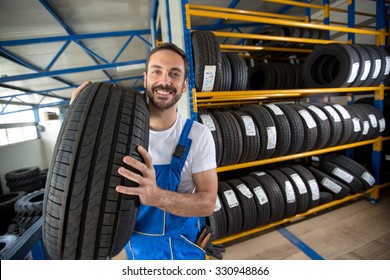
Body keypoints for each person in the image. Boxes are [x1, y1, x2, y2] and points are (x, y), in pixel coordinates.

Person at [71, 43, 218, 260]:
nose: (165, 81)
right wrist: (79, 117)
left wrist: (157, 197)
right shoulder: (117, 135)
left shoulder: (198, 135)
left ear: (185, 85)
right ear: (146, 78)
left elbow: (208, 203)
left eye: (174, 74)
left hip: (184, 249)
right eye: (157, 71)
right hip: (137, 251)